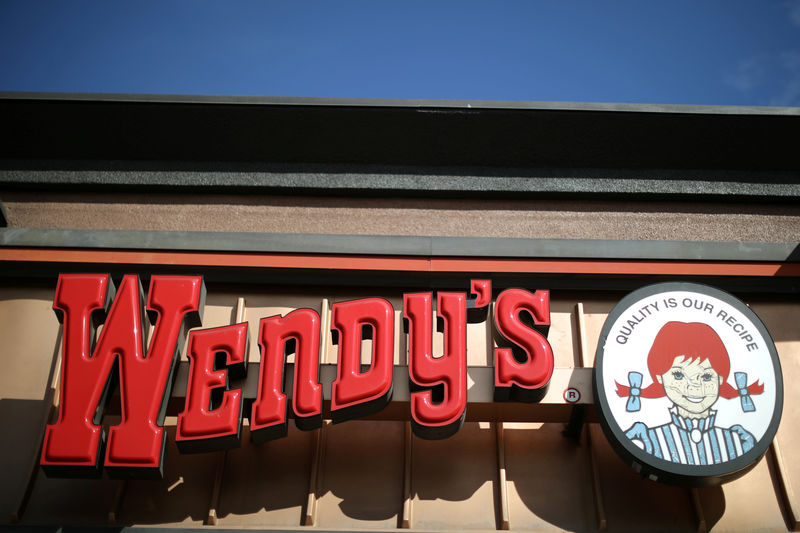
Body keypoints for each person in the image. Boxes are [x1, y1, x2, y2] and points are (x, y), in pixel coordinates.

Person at [615, 321, 763, 465]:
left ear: (721, 379)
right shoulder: (648, 439)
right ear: (659, 377)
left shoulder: (738, 441)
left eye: (706, 377)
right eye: (679, 375)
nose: (695, 386)